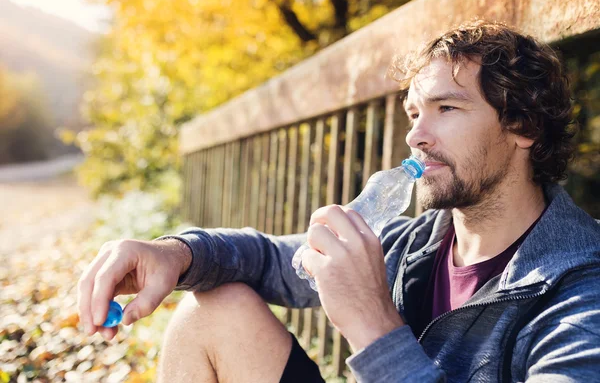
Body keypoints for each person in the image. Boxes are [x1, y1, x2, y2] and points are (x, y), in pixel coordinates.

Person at [77, 20, 600, 383]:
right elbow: (274, 261)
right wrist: (174, 255)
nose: (416, 136)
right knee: (214, 308)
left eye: (446, 108)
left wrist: (372, 322)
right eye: (413, 113)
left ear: (523, 126)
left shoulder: (582, 290)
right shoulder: (415, 239)